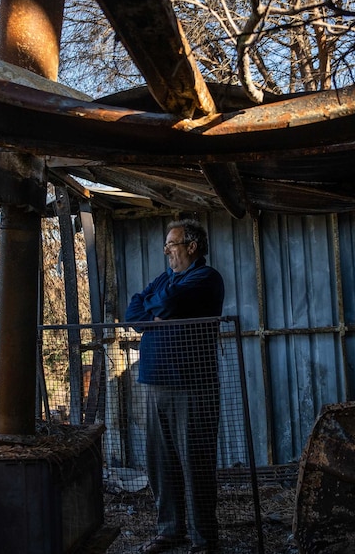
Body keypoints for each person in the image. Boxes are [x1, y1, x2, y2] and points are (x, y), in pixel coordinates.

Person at [125, 218, 225, 554]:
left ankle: (203, 539)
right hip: (156, 384)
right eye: (167, 244)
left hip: (191, 386)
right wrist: (156, 308)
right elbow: (134, 311)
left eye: (173, 244)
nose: (167, 250)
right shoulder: (165, 280)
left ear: (192, 247)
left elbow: (165, 304)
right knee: (161, 463)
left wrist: (159, 307)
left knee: (195, 463)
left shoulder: (205, 278)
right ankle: (170, 531)